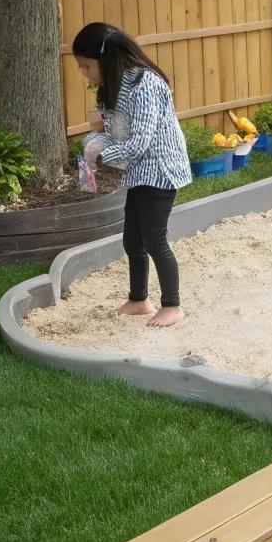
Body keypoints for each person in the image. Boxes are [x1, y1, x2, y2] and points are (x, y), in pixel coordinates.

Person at [72, 22, 191, 328]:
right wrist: (93, 143)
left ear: (104, 58)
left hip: (161, 170)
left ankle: (172, 305)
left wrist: (101, 154)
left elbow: (139, 142)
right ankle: (139, 300)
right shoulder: (112, 88)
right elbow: (118, 134)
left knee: (154, 239)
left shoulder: (145, 84)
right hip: (138, 172)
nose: (84, 73)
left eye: (86, 66)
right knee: (132, 239)